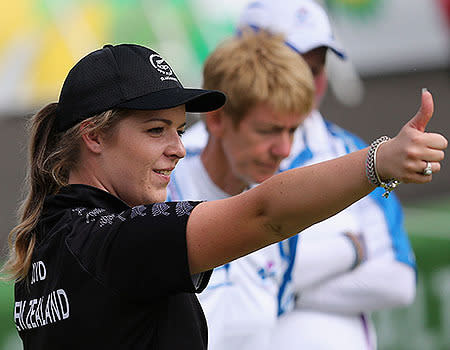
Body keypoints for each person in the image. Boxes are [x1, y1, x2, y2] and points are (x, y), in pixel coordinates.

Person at [0, 43, 446, 350]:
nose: (177, 147)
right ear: (93, 136)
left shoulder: (50, 239)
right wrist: (378, 162)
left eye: (178, 130)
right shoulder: (112, 240)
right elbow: (264, 214)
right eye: (155, 130)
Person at [235, 1, 420, 349]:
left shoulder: (358, 153)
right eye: (291, 64)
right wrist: (348, 253)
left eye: (317, 67)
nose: (308, 81)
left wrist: (270, 286)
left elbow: (397, 281)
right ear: (244, 61)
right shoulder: (187, 153)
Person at [166, 30, 314, 350]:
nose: (284, 149)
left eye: (293, 130)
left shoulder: (283, 209)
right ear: (216, 120)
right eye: (268, 131)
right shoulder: (161, 193)